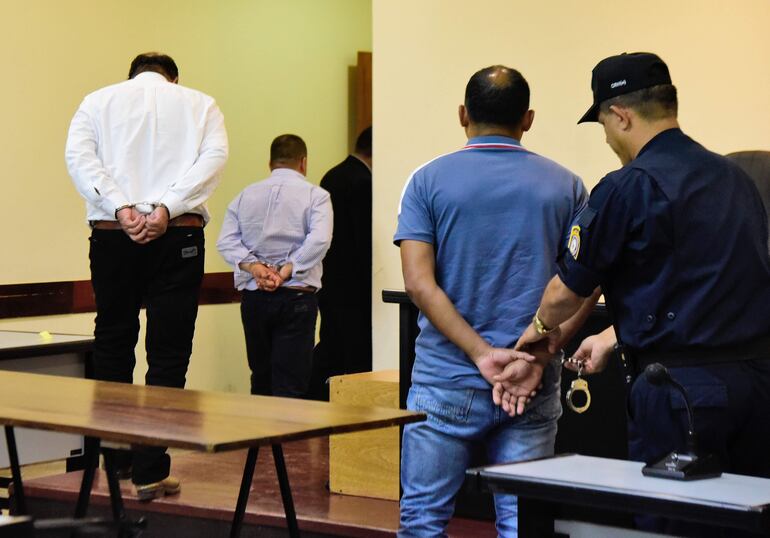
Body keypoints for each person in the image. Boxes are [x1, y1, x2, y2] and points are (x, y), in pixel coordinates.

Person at [514, 52, 770, 537]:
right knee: (747, 521)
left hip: (680, 395)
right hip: (756, 387)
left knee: (672, 523)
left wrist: (540, 331)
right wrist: (613, 336)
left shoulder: (627, 188)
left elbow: (567, 290)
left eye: (603, 125)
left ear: (621, 115)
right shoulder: (736, 179)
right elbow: (699, 285)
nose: (607, 138)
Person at [394, 65, 589, 537]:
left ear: (463, 114)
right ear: (528, 119)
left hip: (445, 382)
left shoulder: (425, 181)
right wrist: (541, 354)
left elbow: (419, 285)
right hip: (531, 383)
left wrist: (482, 355)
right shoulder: (568, 186)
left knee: (422, 523)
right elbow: (586, 282)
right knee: (523, 527)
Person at [65, 52, 228, 501]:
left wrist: (120, 206)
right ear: (174, 78)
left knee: (112, 340)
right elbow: (212, 161)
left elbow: (80, 160)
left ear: (131, 76)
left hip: (112, 234)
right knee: (168, 351)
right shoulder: (200, 103)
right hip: (179, 235)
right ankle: (150, 472)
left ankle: (116, 461)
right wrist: (166, 208)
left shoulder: (97, 101)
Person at [217, 134, 332, 398]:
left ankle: (260, 427)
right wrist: (289, 269)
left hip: (254, 298)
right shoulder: (317, 196)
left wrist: (255, 268)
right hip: (297, 296)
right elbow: (320, 240)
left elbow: (226, 241)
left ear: (270, 163)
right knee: (291, 385)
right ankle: (287, 428)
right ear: (303, 162)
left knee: (261, 379)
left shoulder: (244, 196)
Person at [310, 126, 372, 400]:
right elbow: (363, 239)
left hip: (328, 278)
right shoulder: (363, 181)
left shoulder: (332, 175)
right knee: (354, 352)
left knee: (331, 345)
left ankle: (314, 397)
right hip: (353, 284)